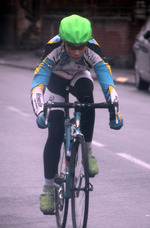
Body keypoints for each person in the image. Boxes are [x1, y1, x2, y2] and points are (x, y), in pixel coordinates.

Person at [31, 14, 123, 214]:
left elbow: (106, 79)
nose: (77, 51)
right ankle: (48, 189)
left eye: (81, 47)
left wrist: (114, 110)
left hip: (79, 77)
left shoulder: (92, 49)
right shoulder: (52, 49)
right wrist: (39, 110)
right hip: (56, 82)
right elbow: (38, 82)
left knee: (87, 97)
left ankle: (87, 152)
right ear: (63, 41)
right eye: (71, 46)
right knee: (55, 133)